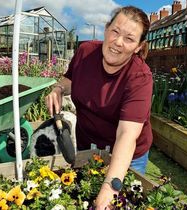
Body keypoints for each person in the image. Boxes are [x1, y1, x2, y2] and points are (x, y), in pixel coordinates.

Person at [45, 6, 152, 209]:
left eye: (129, 39)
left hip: (126, 158)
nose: (118, 43)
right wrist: (58, 89)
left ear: (139, 46)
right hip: (88, 147)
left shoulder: (140, 77)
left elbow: (127, 135)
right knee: (83, 194)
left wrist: (110, 188)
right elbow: (69, 79)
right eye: (115, 31)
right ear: (106, 29)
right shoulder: (86, 52)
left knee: (116, 203)